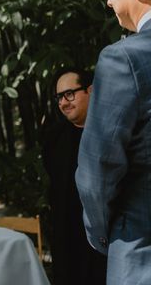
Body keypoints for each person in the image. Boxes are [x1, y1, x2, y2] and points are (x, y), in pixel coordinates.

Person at [76, 0, 151, 284]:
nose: (107, 0)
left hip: (141, 249)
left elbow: (97, 171)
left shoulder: (124, 59)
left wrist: (105, 235)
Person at [43, 69, 106, 285]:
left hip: (104, 238)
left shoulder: (111, 131)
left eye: (69, 94)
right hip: (66, 236)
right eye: (59, 97)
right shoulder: (53, 137)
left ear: (90, 90)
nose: (63, 102)